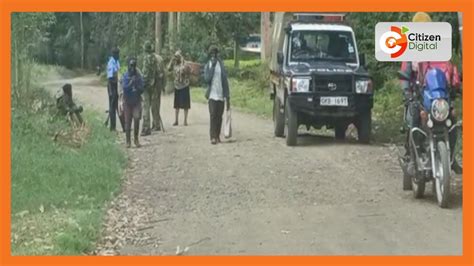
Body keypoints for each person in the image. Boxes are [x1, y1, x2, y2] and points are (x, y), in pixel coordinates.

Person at [399, 12, 461, 172]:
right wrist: (407, 91)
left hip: (439, 96)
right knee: (414, 117)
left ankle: (451, 157)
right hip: (419, 96)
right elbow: (405, 75)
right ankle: (413, 159)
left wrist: (456, 84)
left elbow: (449, 72)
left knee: (453, 118)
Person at [203, 45, 230, 145]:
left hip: (220, 95)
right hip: (212, 95)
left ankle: (218, 135)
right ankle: (212, 136)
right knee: (213, 115)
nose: (214, 55)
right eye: (212, 53)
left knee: (219, 116)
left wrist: (227, 96)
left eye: (215, 53)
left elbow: (225, 81)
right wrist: (212, 67)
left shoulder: (221, 65)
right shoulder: (208, 65)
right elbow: (207, 79)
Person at [141, 41, 166, 136]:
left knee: (146, 106)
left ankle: (146, 127)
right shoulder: (156, 58)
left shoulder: (146, 58)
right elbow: (161, 72)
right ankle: (156, 124)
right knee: (155, 105)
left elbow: (145, 74)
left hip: (147, 85)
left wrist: (142, 83)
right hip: (155, 84)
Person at [120, 57, 144, 148]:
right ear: (128, 66)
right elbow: (124, 89)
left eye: (134, 65)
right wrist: (131, 83)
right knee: (127, 122)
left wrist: (137, 84)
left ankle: (136, 139)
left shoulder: (138, 76)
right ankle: (128, 141)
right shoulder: (125, 76)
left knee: (137, 118)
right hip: (127, 101)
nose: (132, 68)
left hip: (136, 101)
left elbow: (142, 88)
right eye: (131, 66)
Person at [167, 50, 191, 126]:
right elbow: (168, 69)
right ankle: (176, 120)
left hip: (184, 85)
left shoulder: (185, 63)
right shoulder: (174, 64)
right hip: (177, 86)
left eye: (178, 56)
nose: (176, 58)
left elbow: (187, 70)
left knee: (185, 105)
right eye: (175, 56)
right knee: (176, 105)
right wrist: (171, 60)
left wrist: (182, 60)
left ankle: (185, 121)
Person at [106, 47, 121, 131]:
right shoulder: (111, 63)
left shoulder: (116, 61)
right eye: (117, 54)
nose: (119, 55)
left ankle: (114, 125)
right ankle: (112, 127)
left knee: (115, 106)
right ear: (114, 55)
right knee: (112, 107)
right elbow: (110, 78)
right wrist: (112, 92)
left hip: (115, 85)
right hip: (111, 85)